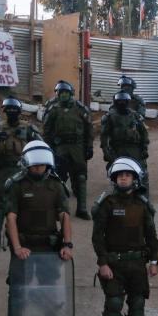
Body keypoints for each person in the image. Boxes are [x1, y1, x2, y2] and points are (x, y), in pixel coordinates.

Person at [4, 141, 73, 316]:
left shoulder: (56, 186)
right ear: (26, 163)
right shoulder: (16, 185)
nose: (38, 169)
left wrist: (67, 244)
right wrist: (16, 248)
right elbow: (11, 218)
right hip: (24, 248)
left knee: (50, 296)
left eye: (42, 165)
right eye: (34, 165)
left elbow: (64, 216)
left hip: (49, 248)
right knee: (17, 296)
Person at [92, 157, 158, 316]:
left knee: (138, 306)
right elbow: (97, 237)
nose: (123, 178)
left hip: (138, 265)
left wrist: (154, 260)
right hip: (114, 264)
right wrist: (103, 262)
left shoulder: (143, 204)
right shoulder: (107, 203)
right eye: (120, 175)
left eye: (127, 175)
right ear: (114, 178)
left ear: (135, 179)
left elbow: (151, 235)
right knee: (113, 305)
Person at [0, 97, 42, 250]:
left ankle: (24, 235)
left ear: (19, 111)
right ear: (4, 111)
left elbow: (40, 145)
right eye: (8, 110)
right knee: (0, 206)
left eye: (14, 110)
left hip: (22, 170)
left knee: (25, 203)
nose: (11, 113)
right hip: (3, 170)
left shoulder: (28, 128)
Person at [43, 82, 94, 220]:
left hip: (77, 147)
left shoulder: (80, 109)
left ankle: (81, 208)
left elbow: (89, 128)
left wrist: (89, 146)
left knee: (81, 176)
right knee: (58, 178)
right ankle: (60, 208)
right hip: (60, 147)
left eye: (66, 93)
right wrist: (48, 148)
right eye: (61, 93)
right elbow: (47, 131)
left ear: (71, 94)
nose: (63, 95)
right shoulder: (53, 109)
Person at [100, 91, 149, 171]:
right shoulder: (109, 117)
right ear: (116, 102)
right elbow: (104, 135)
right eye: (119, 101)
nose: (122, 103)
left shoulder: (135, 116)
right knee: (115, 171)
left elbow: (143, 133)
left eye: (124, 101)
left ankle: (143, 183)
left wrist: (144, 148)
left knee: (141, 170)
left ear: (128, 102)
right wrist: (105, 151)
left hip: (134, 149)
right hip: (117, 149)